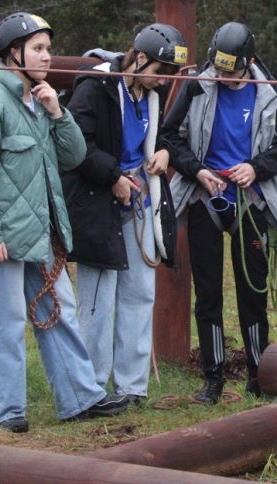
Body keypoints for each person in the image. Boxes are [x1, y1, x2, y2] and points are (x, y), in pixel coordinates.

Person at [0, 12, 130, 433]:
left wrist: (57, 112)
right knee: (3, 321)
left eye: (48, 48)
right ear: (14, 54)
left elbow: (72, 157)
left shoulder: (40, 105)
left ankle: (81, 398)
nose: (47, 57)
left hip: (37, 233)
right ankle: (7, 411)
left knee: (58, 311)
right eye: (38, 49)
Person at [161, 21, 277, 403]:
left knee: (252, 291)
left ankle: (258, 372)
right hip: (206, 198)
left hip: (251, 201)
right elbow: (169, 136)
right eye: (217, 69)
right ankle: (213, 375)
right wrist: (196, 170)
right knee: (208, 293)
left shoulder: (274, 95)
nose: (221, 77)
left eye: (230, 72)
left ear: (248, 62)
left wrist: (257, 166)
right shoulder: (197, 86)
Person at [61, 24, 184, 406]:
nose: (165, 83)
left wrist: (164, 151)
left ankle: (132, 385)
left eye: (171, 76)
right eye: (162, 73)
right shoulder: (94, 88)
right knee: (98, 298)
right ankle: (92, 386)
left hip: (140, 204)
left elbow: (158, 134)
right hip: (99, 202)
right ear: (141, 58)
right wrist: (113, 176)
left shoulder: (150, 92)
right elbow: (75, 144)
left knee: (139, 294)